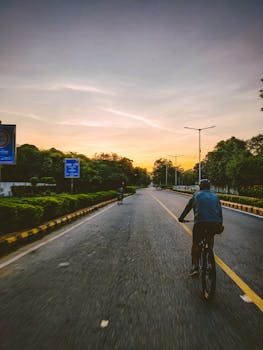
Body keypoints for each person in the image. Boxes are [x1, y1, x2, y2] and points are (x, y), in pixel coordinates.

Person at [178, 179, 224, 277]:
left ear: (200, 187)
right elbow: (220, 212)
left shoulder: (196, 195)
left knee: (195, 243)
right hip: (215, 223)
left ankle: (195, 267)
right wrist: (220, 224)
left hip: (200, 223)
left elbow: (188, 207)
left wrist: (181, 218)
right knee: (210, 237)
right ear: (209, 187)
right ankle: (209, 258)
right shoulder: (216, 196)